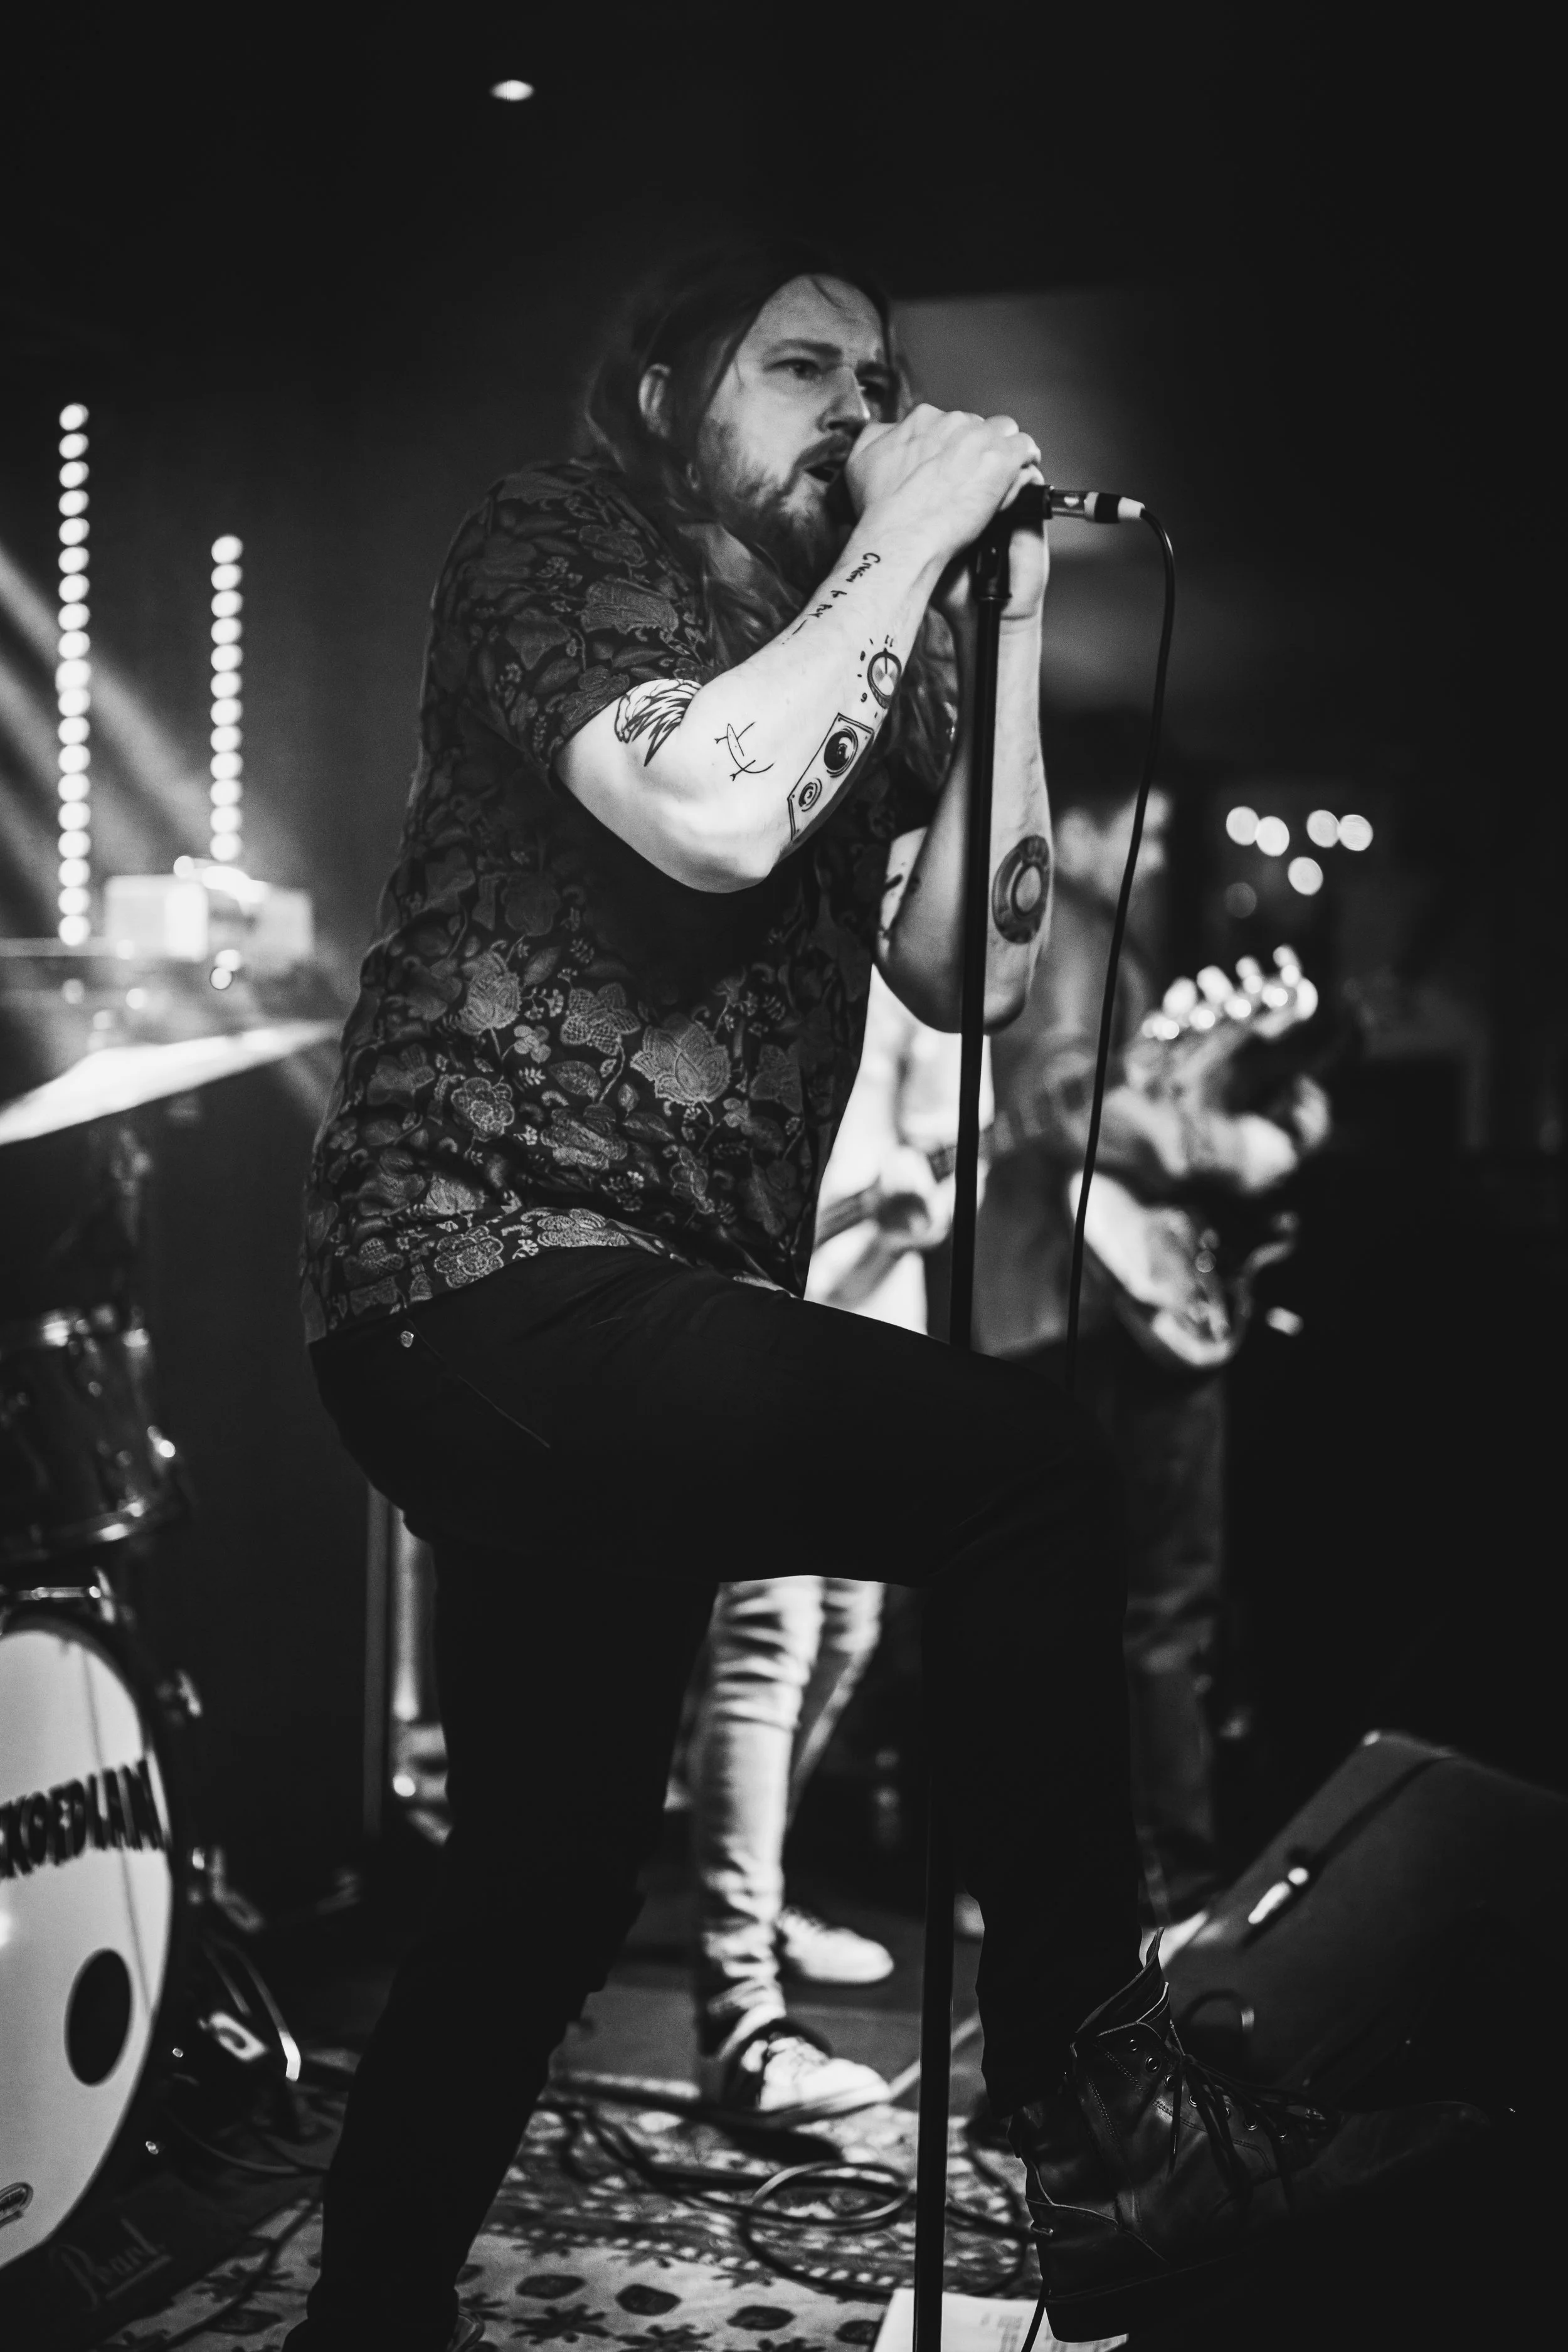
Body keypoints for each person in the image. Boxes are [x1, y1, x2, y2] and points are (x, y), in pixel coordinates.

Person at [290, 246, 1477, 2352]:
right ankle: (1098, 2130)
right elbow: (705, 811)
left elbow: (976, 971)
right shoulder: (558, 541)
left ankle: (364, 2314)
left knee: (546, 1888)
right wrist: (917, 529)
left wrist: (997, 614)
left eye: (884, 375)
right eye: (802, 366)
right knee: (1019, 1468)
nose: (858, 406)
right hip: (475, 1267)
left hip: (649, 1315)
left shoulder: (898, 649)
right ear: (672, 397)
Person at [974, 729, 1330, 1942]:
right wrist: (1244, 1149)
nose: (1163, 848)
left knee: (1093, 1607)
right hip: (1099, 1308)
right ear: (1077, 824)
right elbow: (1066, 1105)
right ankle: (1173, 1895)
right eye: (1149, 824)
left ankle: (1087, 1879)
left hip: (1057, 1301)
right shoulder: (1068, 918)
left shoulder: (1070, 929)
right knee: (1162, 1606)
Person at [686, 969, 972, 2121]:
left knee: (847, 1625)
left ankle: (756, 1895)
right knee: (771, 1625)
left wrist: (922, 1202)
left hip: (866, 1329)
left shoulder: (920, 959)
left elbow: (956, 1156)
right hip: (752, 1324)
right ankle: (738, 2003)